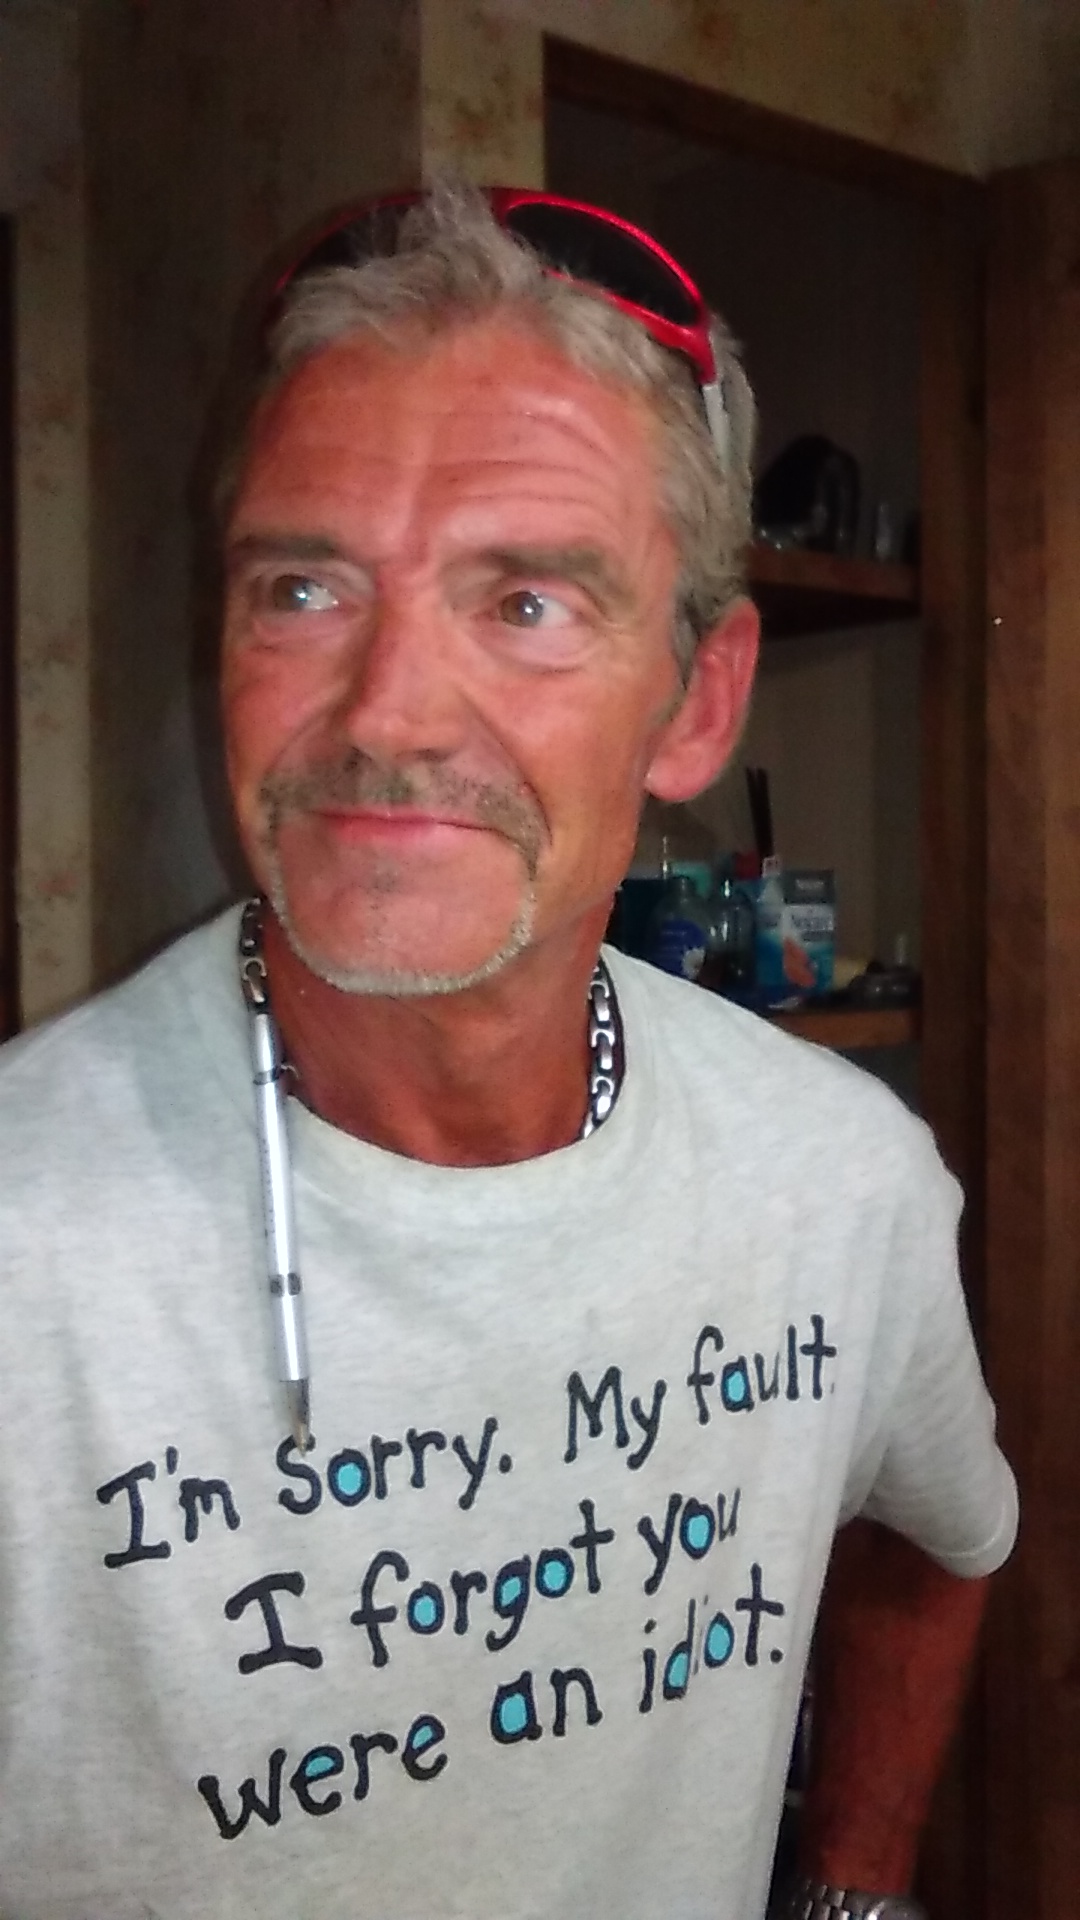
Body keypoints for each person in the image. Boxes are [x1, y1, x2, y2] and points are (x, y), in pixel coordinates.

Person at [0, 183, 1015, 1920]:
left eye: (528, 602)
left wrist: (851, 1894)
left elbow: (942, 1538)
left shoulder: (845, 1186)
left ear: (698, 700)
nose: (387, 712)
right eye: (303, 586)